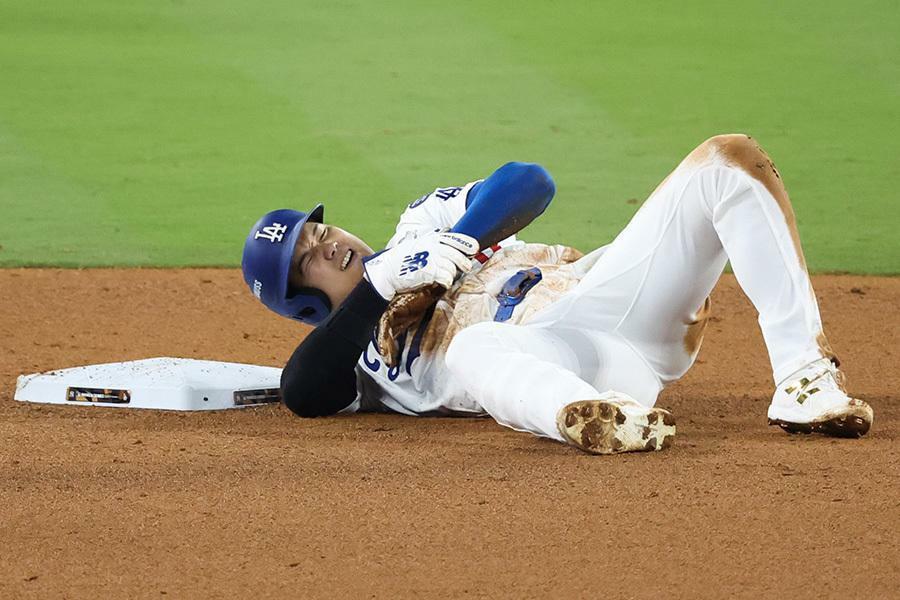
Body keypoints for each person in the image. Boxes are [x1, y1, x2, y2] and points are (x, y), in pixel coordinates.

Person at [241, 134, 873, 455]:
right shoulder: (359, 361)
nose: (326, 245)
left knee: (725, 161)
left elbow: (529, 182)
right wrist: (381, 286)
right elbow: (302, 389)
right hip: (575, 367)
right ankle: (599, 420)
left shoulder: (419, 227)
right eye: (309, 260)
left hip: (614, 298)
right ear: (304, 306)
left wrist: (454, 245)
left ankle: (805, 380)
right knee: (474, 348)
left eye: (319, 232)